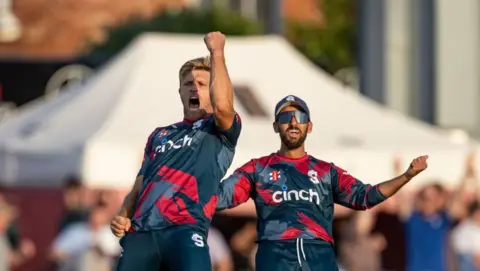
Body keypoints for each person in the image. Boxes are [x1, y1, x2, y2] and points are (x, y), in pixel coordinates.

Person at [216, 95, 428, 271]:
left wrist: (406, 175)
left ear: (309, 127)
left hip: (318, 259)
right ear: (275, 126)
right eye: (285, 117)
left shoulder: (326, 172)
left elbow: (366, 196)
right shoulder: (258, 169)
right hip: (276, 258)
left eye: (299, 117)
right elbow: (220, 197)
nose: (292, 122)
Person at [110, 31, 241, 271]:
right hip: (142, 232)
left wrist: (217, 53)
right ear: (179, 91)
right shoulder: (159, 134)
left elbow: (223, 106)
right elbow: (140, 185)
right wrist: (123, 213)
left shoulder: (218, 128)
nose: (194, 89)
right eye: (188, 84)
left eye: (202, 84)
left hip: (185, 228)